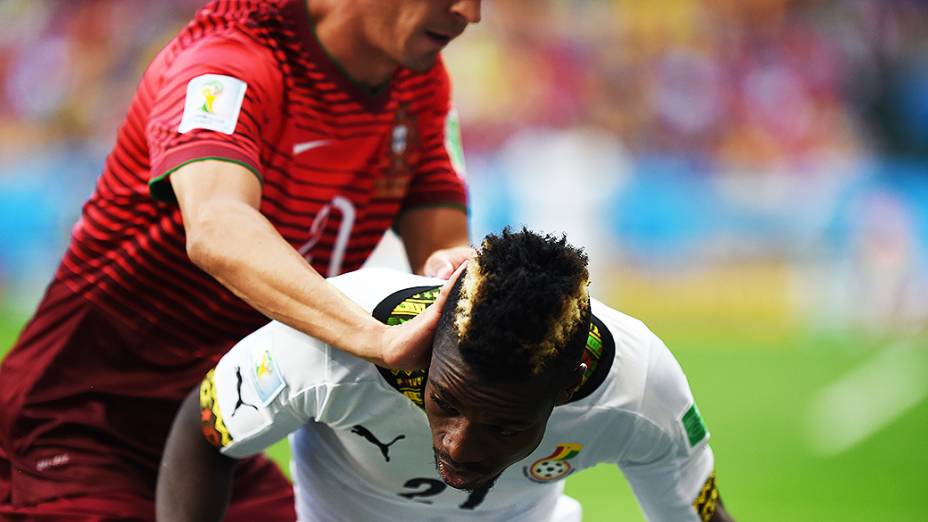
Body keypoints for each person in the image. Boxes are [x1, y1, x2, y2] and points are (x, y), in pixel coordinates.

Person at [0, 0, 481, 518]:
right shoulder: (228, 58)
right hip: (80, 419)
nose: (469, 12)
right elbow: (217, 228)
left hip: (214, 423)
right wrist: (375, 337)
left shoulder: (420, 83)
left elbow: (440, 258)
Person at [157, 229, 736, 522]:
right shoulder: (333, 345)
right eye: (446, 402)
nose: (460, 444)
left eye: (505, 427)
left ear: (566, 389)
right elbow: (203, 431)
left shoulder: (642, 390)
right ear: (430, 347)